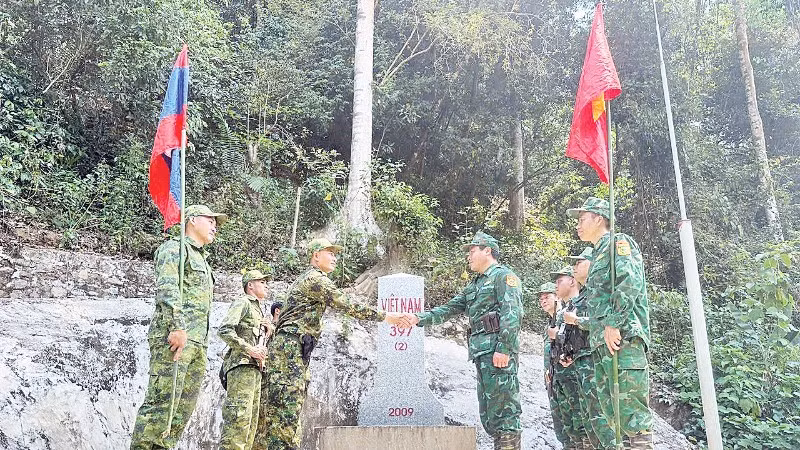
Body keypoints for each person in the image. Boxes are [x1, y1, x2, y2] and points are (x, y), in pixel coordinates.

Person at [254, 238, 404, 450]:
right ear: (316, 256)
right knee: (285, 414)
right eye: (330, 253)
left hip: (294, 349)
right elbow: (345, 302)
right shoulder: (316, 279)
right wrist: (386, 317)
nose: (334, 257)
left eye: (335, 254)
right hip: (289, 350)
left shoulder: (310, 279)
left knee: (286, 413)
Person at [398, 231, 524, 450]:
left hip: (498, 353)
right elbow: (449, 308)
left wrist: (504, 348)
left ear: (488, 251)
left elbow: (512, 314)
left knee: (505, 414)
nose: (468, 256)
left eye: (472, 251)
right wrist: (418, 318)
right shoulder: (474, 285)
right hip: (482, 355)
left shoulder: (504, 277)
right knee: (489, 414)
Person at [130, 205, 228, 450]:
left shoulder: (202, 260)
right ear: (192, 220)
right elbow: (167, 289)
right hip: (175, 338)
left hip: (197, 343)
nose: (215, 225)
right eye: (210, 219)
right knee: (161, 404)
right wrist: (177, 327)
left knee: (182, 410)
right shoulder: (175, 249)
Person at [567, 197, 653, 449]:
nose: (578, 225)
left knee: (633, 416)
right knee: (615, 418)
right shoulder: (599, 252)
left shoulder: (618, 242)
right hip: (603, 344)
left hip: (622, 340)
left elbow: (630, 281)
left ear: (599, 218)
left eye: (582, 219)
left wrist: (614, 322)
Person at [564, 247, 616, 449]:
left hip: (595, 359)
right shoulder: (583, 295)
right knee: (590, 419)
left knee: (601, 417)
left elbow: (603, 321)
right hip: (582, 359)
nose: (574, 268)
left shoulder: (599, 291)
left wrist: (577, 321)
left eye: (579, 263)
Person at [218, 269, 273, 450]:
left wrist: (268, 332)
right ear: (250, 285)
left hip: (255, 370)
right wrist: (250, 349)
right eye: (262, 281)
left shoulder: (259, 310)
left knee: (250, 427)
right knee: (237, 424)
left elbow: (257, 342)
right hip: (242, 367)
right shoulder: (243, 302)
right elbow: (225, 330)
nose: (266, 285)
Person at [550, 266, 586, 449]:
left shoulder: (583, 306)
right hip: (564, 377)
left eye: (559, 281)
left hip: (579, 377)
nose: (555, 286)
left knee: (584, 429)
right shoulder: (567, 309)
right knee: (570, 431)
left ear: (572, 281)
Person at [538, 282, 567, 448]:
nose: (543, 301)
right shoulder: (549, 323)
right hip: (553, 379)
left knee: (573, 427)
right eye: (541, 299)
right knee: (561, 426)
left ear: (557, 296)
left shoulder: (565, 316)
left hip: (567, 378)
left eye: (547, 297)